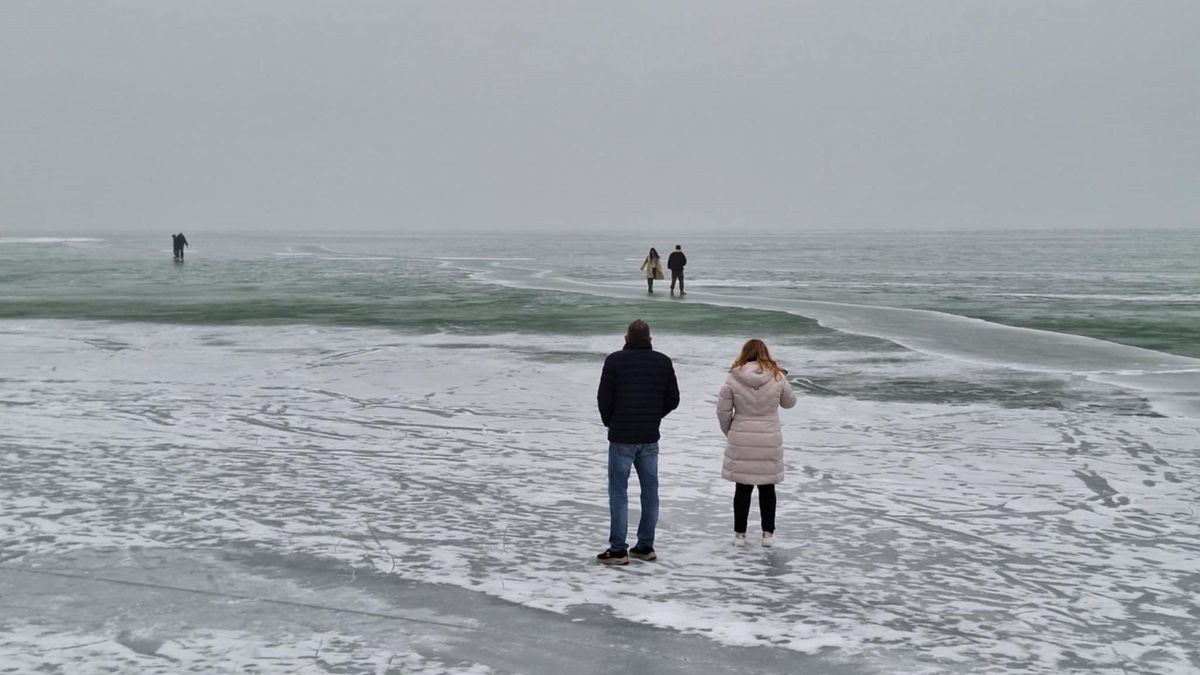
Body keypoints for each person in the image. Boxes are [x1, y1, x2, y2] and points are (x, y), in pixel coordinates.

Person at [596, 319, 680, 565]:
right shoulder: (663, 362)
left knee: (619, 492)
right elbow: (673, 399)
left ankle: (618, 549)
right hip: (649, 436)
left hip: (621, 436)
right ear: (650, 340)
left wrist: (610, 421)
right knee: (650, 492)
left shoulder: (614, 361)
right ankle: (645, 545)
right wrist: (654, 416)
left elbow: (604, 397)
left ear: (626, 339)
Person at [716, 339, 796, 547]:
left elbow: (723, 411)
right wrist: (784, 379)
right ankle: (767, 534)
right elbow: (790, 403)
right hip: (769, 436)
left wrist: (731, 432)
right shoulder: (777, 376)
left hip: (741, 435)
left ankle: (740, 535)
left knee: (742, 488)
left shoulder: (733, 377)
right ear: (765, 353)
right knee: (767, 488)